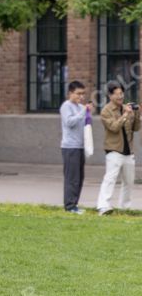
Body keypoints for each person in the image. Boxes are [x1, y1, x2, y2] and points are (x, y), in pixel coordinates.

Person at [96, 82, 140, 216]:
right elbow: (114, 127)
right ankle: (103, 206)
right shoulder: (106, 111)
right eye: (117, 94)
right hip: (114, 150)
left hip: (128, 152)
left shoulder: (126, 108)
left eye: (122, 93)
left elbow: (136, 128)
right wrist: (126, 115)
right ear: (110, 95)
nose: (121, 96)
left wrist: (137, 113)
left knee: (129, 182)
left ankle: (124, 208)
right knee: (110, 179)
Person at [60, 81, 92, 214]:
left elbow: (84, 125)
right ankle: (69, 206)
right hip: (70, 147)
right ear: (70, 93)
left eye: (83, 94)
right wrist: (83, 111)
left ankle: (75, 204)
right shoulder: (66, 106)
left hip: (80, 147)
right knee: (72, 178)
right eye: (78, 94)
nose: (81, 97)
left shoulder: (80, 107)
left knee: (79, 178)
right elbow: (69, 123)